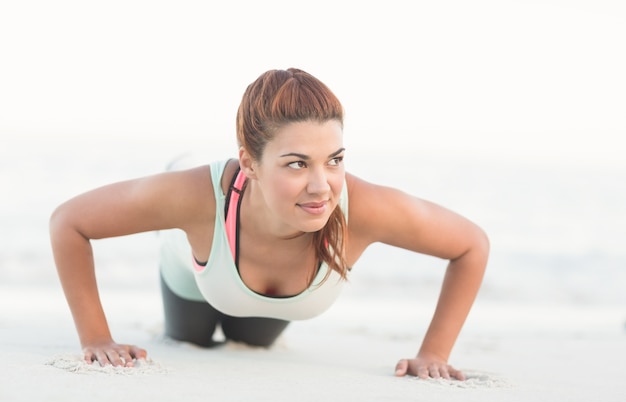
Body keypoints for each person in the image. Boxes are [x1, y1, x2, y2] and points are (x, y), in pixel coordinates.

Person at [49, 68, 489, 380]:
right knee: (192, 340)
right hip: (196, 274)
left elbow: (471, 245)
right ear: (249, 163)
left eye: (334, 160)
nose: (322, 187)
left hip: (274, 302)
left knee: (253, 344)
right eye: (297, 163)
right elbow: (69, 221)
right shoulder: (196, 195)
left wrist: (433, 353)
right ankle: (179, 182)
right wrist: (97, 339)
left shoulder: (365, 207)